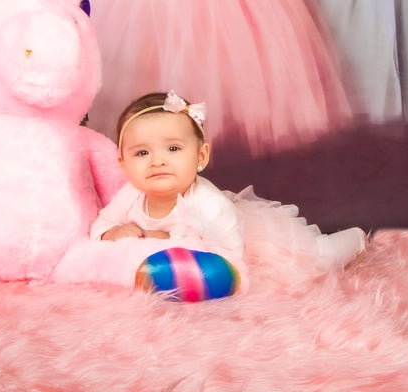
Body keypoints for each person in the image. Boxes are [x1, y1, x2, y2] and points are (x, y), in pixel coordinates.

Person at [92, 90, 367, 292]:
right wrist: (109, 232)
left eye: (173, 148)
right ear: (123, 165)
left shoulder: (208, 203)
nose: (157, 160)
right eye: (141, 152)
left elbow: (229, 254)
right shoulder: (130, 196)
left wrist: (171, 239)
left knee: (315, 259)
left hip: (247, 244)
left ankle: (354, 239)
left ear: (201, 157)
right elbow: (100, 223)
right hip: (181, 265)